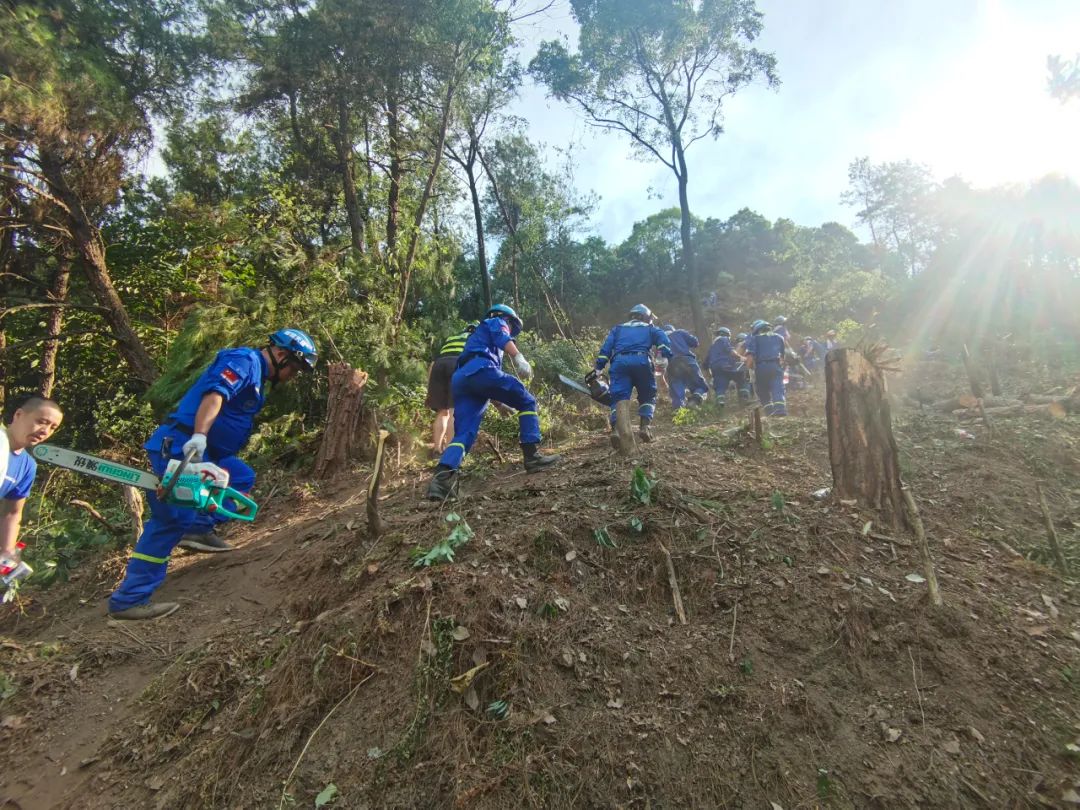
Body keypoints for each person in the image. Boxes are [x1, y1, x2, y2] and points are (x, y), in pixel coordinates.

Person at [107, 329, 318, 621]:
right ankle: (129, 599)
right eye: (294, 368)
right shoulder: (244, 361)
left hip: (210, 455)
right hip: (184, 447)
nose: (293, 375)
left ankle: (198, 528)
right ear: (282, 355)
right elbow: (215, 394)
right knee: (171, 521)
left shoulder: (258, 377)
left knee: (240, 477)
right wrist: (199, 437)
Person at [426, 305, 559, 501]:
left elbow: (482, 382)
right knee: (527, 401)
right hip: (481, 368)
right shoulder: (497, 321)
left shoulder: (476, 337)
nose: (511, 331)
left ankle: (442, 479)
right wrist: (519, 357)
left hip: (462, 379)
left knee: (464, 433)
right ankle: (532, 456)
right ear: (507, 319)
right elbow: (500, 340)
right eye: (512, 327)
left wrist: (500, 404)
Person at [594, 304, 672, 444]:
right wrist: (664, 355)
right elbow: (664, 341)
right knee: (648, 395)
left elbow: (606, 348)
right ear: (645, 317)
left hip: (619, 363)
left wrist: (599, 368)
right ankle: (644, 427)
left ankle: (616, 430)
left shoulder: (617, 329)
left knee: (617, 397)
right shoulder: (650, 329)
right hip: (642, 361)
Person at [2, 396, 64, 562]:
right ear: (18, 415)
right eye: (41, 421)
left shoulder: (27, 465)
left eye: (53, 427)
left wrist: (7, 552)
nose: (45, 431)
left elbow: (12, 513)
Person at [425, 324, 476, 455]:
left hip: (438, 366)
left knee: (443, 411)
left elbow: (433, 362)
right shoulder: (475, 338)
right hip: (456, 364)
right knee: (454, 411)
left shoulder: (451, 338)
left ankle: (437, 448)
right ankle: (450, 451)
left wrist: (429, 388)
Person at [744, 320, 788, 416]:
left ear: (757, 330)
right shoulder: (779, 338)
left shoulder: (754, 339)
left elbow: (750, 356)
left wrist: (747, 370)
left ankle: (769, 411)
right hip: (776, 366)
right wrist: (782, 367)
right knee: (777, 388)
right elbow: (783, 356)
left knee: (762, 390)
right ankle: (780, 410)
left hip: (761, 368)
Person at [663, 324, 709, 409]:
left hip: (672, 366)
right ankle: (694, 401)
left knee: (677, 393)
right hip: (687, 361)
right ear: (673, 330)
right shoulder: (679, 332)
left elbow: (660, 360)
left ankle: (678, 411)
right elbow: (695, 342)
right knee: (700, 386)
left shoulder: (661, 340)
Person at [705, 327, 749, 407]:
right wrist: (740, 357)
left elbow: (706, 362)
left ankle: (720, 405)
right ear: (727, 335)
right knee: (741, 377)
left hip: (716, 369)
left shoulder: (712, 346)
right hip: (725, 365)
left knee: (720, 386)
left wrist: (709, 372)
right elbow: (730, 350)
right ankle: (744, 397)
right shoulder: (724, 339)